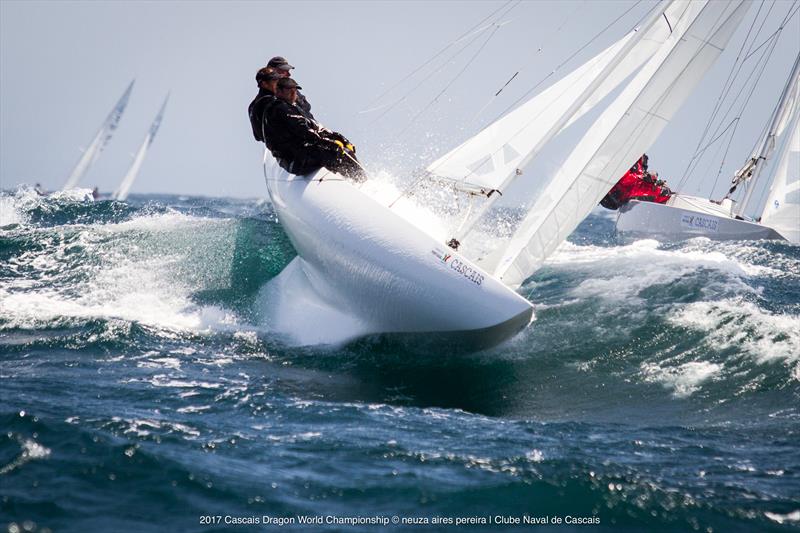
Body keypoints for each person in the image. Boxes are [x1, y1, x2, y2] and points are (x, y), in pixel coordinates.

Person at [263, 77, 365, 180]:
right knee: (335, 153)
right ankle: (359, 181)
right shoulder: (279, 108)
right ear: (279, 91)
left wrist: (340, 139)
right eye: (289, 90)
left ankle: (361, 180)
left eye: (295, 90)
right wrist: (331, 144)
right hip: (293, 160)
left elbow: (316, 128)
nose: (293, 93)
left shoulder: (292, 107)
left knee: (344, 149)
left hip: (300, 153)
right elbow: (304, 132)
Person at [600, 154, 672, 210]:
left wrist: (650, 178)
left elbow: (640, 175)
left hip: (632, 189)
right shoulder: (625, 158)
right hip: (623, 194)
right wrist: (642, 177)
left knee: (664, 192)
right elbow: (624, 179)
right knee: (662, 194)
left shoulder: (638, 159)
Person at [248, 66, 281, 143]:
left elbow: (257, 136)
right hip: (283, 146)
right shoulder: (272, 101)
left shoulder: (252, 105)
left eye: (278, 79)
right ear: (264, 84)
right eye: (274, 80)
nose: (278, 83)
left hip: (273, 147)